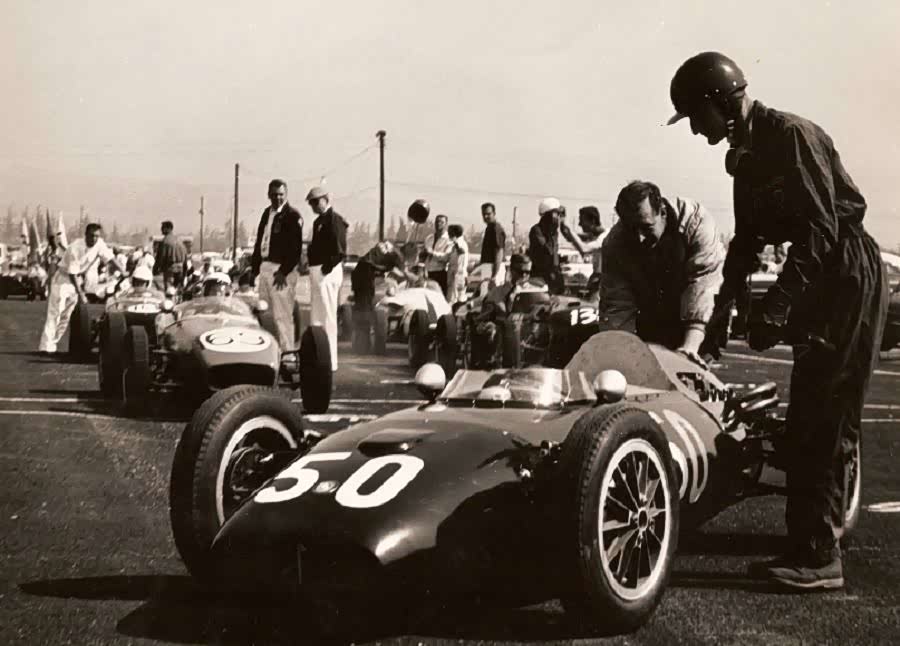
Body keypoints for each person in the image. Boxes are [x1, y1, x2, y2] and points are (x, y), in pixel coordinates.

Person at [667, 51, 888, 590]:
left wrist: (777, 306)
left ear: (720, 101)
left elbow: (819, 232)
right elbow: (745, 245)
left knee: (828, 412)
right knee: (810, 411)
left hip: (846, 270)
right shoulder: (744, 158)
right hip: (821, 274)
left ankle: (819, 558)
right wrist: (719, 317)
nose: (695, 130)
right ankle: (808, 544)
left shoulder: (790, 135)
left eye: (696, 116)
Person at [597, 180, 725, 362]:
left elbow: (704, 284)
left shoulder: (695, 221)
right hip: (653, 310)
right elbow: (616, 305)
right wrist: (619, 355)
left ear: (663, 212)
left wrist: (690, 346)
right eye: (631, 229)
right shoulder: (615, 244)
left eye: (646, 227)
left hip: (701, 311)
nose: (639, 238)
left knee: (692, 366)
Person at [38, 223, 127, 354]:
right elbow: (72, 273)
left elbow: (111, 258)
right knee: (55, 313)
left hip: (77, 281)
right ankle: (45, 346)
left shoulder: (99, 244)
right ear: (86, 235)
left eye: (97, 236)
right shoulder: (75, 247)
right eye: (91, 236)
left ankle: (53, 343)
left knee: (66, 316)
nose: (94, 239)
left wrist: (123, 271)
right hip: (63, 280)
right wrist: (81, 294)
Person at [250, 179, 304, 352]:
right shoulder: (267, 213)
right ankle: (267, 352)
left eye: (281, 194)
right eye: (274, 195)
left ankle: (287, 352)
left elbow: (295, 249)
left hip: (281, 271)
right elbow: (260, 242)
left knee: (282, 315)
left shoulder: (292, 216)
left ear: (286, 195)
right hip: (265, 266)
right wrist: (254, 269)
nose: (277, 198)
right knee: (263, 312)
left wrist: (283, 272)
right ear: (268, 195)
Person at [469, 254, 546, 367]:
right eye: (520, 272)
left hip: (531, 329)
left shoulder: (535, 289)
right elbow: (485, 317)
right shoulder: (499, 291)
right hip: (508, 330)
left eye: (528, 272)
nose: (524, 275)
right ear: (511, 270)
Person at [306, 185, 348, 372]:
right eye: (311, 203)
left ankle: (330, 360)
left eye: (316, 201)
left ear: (326, 199)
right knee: (317, 317)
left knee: (328, 316)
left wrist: (326, 268)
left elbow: (339, 251)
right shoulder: (319, 222)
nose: (314, 206)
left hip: (327, 272)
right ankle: (318, 357)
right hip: (318, 271)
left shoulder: (335, 220)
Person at [527, 197, 585, 294]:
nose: (558, 217)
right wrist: (552, 232)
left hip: (554, 275)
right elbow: (547, 250)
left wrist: (559, 259)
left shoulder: (554, 232)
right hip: (541, 277)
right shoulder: (537, 230)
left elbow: (554, 252)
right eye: (556, 214)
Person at [152, 220, 187, 291]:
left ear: (167, 229)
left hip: (170, 269)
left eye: (162, 228)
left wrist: (155, 269)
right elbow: (185, 259)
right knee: (177, 290)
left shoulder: (165, 241)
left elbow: (160, 258)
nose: (161, 229)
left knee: (169, 289)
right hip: (180, 269)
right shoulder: (179, 241)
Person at [423, 214, 452, 294]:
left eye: (441, 222)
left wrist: (432, 253)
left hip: (440, 273)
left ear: (446, 224)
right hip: (427, 272)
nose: (438, 224)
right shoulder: (429, 238)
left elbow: (446, 257)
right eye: (437, 222)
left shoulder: (449, 240)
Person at [479, 202, 507, 286]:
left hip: (493, 269)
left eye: (488, 214)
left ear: (494, 213)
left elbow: (499, 252)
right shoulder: (489, 228)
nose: (485, 216)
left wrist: (494, 275)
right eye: (484, 214)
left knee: (493, 293)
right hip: (488, 268)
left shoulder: (496, 229)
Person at [446, 224, 469, 305]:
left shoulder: (460, 243)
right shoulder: (454, 243)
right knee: (454, 296)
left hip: (458, 273)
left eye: (449, 232)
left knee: (455, 297)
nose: (448, 234)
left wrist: (456, 245)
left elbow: (461, 252)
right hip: (455, 272)